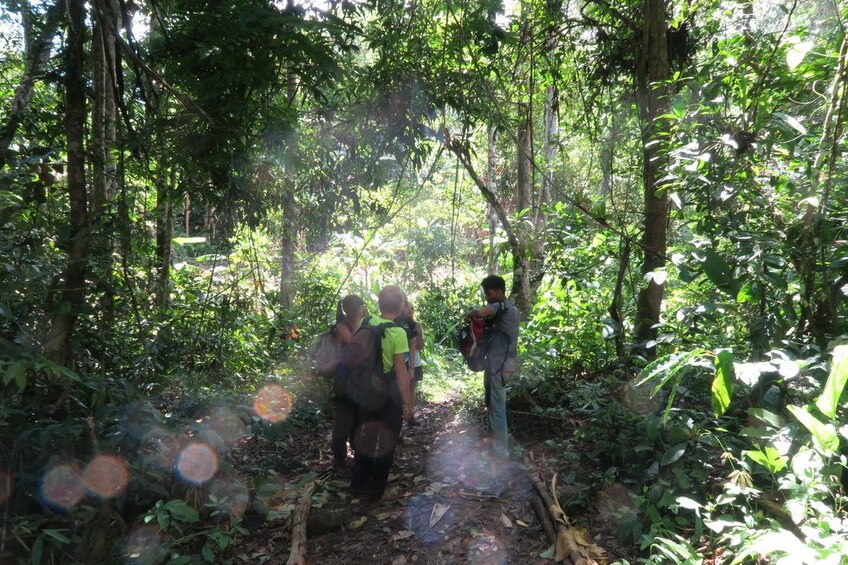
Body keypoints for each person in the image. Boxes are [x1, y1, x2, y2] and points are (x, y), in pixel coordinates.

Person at [349, 285, 412, 502]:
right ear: (401, 306)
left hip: (365, 391)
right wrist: (408, 403)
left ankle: (357, 485)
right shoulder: (397, 332)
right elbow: (401, 373)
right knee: (387, 442)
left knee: (366, 438)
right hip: (388, 394)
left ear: (379, 304)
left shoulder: (367, 322)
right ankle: (374, 493)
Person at [464, 275, 519, 457]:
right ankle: (493, 441)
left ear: (500, 291)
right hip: (497, 364)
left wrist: (473, 313)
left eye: (489, 293)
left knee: (497, 406)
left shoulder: (502, 306)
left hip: (501, 366)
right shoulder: (509, 309)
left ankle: (501, 451)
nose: (487, 297)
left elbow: (481, 312)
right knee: (492, 403)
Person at [331, 294, 367, 478]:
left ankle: (357, 454)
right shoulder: (342, 327)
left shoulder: (356, 325)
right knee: (344, 420)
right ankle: (339, 460)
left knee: (357, 417)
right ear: (355, 309)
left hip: (357, 380)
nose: (364, 308)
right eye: (362, 306)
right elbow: (356, 347)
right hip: (344, 381)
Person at [396, 300, 424, 426]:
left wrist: (418, 332)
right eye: (408, 307)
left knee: (412, 388)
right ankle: (400, 418)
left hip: (415, 360)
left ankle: (410, 416)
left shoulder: (416, 325)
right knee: (401, 389)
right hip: (404, 360)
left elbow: (420, 346)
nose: (410, 310)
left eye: (412, 308)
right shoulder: (397, 323)